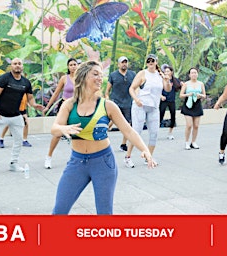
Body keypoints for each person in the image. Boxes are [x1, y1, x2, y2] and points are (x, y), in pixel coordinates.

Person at [51, 60, 155, 215]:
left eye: (101, 75)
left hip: (103, 163)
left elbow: (129, 131)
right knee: (59, 211)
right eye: (95, 74)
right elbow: (54, 129)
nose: (100, 78)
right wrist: (63, 128)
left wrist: (145, 149)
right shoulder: (69, 105)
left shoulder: (107, 105)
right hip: (76, 163)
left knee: (104, 214)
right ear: (83, 76)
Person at [0, 58, 43, 174]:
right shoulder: (4, 78)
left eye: (19, 64)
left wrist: (34, 105)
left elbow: (30, 97)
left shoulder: (25, 82)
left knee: (19, 140)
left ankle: (13, 163)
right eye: (15, 64)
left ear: (22, 66)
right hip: (1, 115)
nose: (17, 66)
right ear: (11, 66)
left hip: (16, 116)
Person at [124, 54, 172, 168]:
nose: (150, 62)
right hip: (140, 106)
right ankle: (128, 157)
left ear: (156, 62)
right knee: (136, 132)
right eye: (148, 61)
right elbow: (131, 88)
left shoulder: (160, 75)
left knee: (154, 133)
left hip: (154, 107)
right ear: (146, 63)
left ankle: (148, 157)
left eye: (153, 60)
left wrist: (167, 80)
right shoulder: (142, 73)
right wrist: (136, 99)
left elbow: (167, 89)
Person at [42, 58, 79, 169]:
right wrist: (48, 107)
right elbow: (56, 93)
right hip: (64, 106)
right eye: (71, 65)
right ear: (68, 67)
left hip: (77, 106)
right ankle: (48, 157)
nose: (73, 66)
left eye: (74, 64)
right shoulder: (64, 78)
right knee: (58, 133)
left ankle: (76, 158)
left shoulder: (81, 78)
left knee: (77, 132)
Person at [105, 56, 136, 152]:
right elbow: (107, 91)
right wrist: (108, 100)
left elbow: (136, 87)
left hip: (128, 103)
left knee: (127, 124)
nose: (124, 64)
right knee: (110, 122)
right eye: (122, 62)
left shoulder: (132, 74)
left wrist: (136, 98)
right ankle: (101, 139)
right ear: (118, 64)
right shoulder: (113, 75)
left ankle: (123, 144)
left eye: (125, 62)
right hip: (115, 102)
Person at [180, 67, 206, 150]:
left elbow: (204, 95)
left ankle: (193, 142)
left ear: (197, 74)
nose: (194, 74)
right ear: (189, 75)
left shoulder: (201, 84)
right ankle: (187, 142)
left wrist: (200, 96)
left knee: (196, 125)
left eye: (195, 73)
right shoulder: (186, 84)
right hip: (188, 105)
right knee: (189, 125)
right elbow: (181, 95)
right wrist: (188, 95)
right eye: (192, 73)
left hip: (197, 104)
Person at [159, 64, 181, 140]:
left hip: (172, 101)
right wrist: (161, 96)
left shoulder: (175, 80)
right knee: (160, 115)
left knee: (173, 116)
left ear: (171, 72)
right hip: (164, 100)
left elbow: (181, 86)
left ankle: (170, 133)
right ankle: (155, 131)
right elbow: (157, 89)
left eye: (168, 71)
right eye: (165, 71)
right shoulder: (162, 79)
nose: (166, 72)